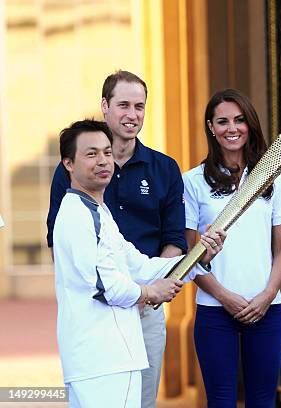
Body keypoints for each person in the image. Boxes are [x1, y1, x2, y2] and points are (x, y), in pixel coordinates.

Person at [53, 119, 225, 407]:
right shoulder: (77, 216)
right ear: (68, 164)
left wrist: (199, 257)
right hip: (101, 360)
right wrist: (149, 293)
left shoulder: (99, 212)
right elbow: (105, 285)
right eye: (91, 154)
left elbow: (141, 266)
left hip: (114, 358)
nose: (103, 161)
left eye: (107, 153)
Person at [46, 70, 186, 408]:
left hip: (136, 320)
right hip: (99, 334)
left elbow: (151, 254)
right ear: (105, 106)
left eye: (139, 106)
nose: (132, 114)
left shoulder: (109, 205)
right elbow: (99, 279)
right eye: (123, 104)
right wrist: (145, 292)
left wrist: (199, 258)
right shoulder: (77, 201)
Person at [183, 89, 281, 407]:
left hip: (266, 308)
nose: (232, 128)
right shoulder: (192, 182)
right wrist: (223, 296)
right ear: (211, 127)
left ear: (250, 124)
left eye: (239, 120)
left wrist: (267, 295)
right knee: (220, 401)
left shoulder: (272, 177)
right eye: (223, 121)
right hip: (214, 310)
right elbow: (188, 253)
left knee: (263, 401)